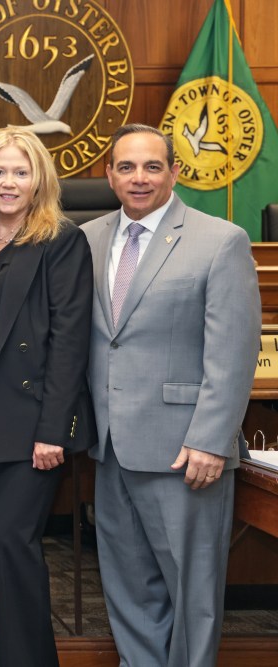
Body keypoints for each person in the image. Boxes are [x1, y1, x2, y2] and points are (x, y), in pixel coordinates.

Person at [82, 124, 259, 667]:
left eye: (153, 167)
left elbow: (232, 352)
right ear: (109, 175)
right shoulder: (85, 239)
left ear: (175, 172)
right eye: (127, 167)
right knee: (129, 590)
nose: (140, 178)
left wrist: (210, 440)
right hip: (110, 447)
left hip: (185, 451)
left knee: (191, 594)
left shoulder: (219, 240)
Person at [0, 127, 93, 666]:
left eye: (20, 171)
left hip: (34, 419)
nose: (8, 182)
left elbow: (69, 342)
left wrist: (51, 430)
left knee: (13, 542)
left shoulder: (61, 240)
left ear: (39, 178)